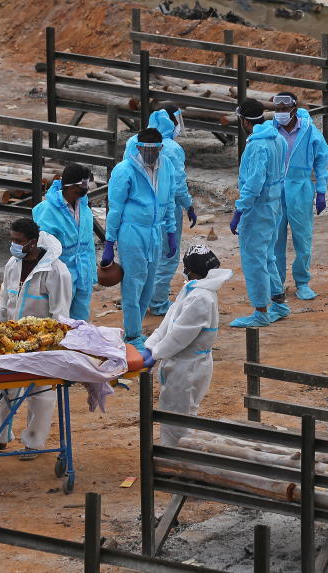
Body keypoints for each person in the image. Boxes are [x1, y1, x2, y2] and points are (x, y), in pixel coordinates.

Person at [0, 218, 72, 459]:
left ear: (32, 242)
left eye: (18, 241)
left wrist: (50, 345)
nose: (13, 245)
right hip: (10, 340)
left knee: (40, 394)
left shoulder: (57, 271)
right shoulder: (12, 265)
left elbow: (61, 314)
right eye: (12, 240)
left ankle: (33, 443)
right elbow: (4, 302)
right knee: (4, 387)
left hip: (42, 343)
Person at [145, 245, 231, 446]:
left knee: (181, 415)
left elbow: (180, 335)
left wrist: (155, 354)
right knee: (172, 409)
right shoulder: (191, 288)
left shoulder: (202, 297)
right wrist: (152, 344)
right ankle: (173, 452)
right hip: (179, 364)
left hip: (190, 367)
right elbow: (171, 319)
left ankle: (179, 457)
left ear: (193, 271)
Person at [102, 128, 178, 349]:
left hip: (155, 230)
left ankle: (137, 329)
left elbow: (169, 201)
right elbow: (115, 209)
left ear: (161, 149)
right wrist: (109, 241)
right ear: (138, 148)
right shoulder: (124, 170)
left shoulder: (166, 167)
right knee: (133, 283)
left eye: (155, 150)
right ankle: (132, 333)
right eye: (146, 150)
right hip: (132, 232)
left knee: (149, 281)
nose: (150, 154)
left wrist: (171, 233)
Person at [229, 98, 290, 328]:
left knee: (255, 259)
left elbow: (253, 183)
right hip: (274, 206)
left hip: (258, 209)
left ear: (244, 121)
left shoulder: (257, 146)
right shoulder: (278, 139)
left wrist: (239, 210)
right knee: (267, 256)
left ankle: (261, 311)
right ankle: (279, 302)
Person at [134, 107, 198, 316]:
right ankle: (158, 301)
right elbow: (178, 184)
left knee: (142, 257)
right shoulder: (171, 148)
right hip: (163, 210)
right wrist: (188, 205)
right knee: (166, 256)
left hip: (136, 213)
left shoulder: (133, 142)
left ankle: (139, 299)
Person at [270, 92, 328, 301]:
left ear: (294, 109)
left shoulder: (309, 131)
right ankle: (276, 283)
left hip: (301, 188)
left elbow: (322, 160)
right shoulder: (270, 130)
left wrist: (321, 190)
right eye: (277, 110)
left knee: (302, 238)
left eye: (284, 109)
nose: (280, 114)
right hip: (275, 191)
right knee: (275, 239)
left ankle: (302, 282)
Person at [32, 163, 96, 320]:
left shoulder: (84, 209)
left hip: (83, 273)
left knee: (81, 321)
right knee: (60, 319)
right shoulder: (47, 210)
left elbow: (89, 246)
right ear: (69, 187)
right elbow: (42, 250)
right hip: (59, 275)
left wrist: (92, 273)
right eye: (81, 187)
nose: (84, 191)